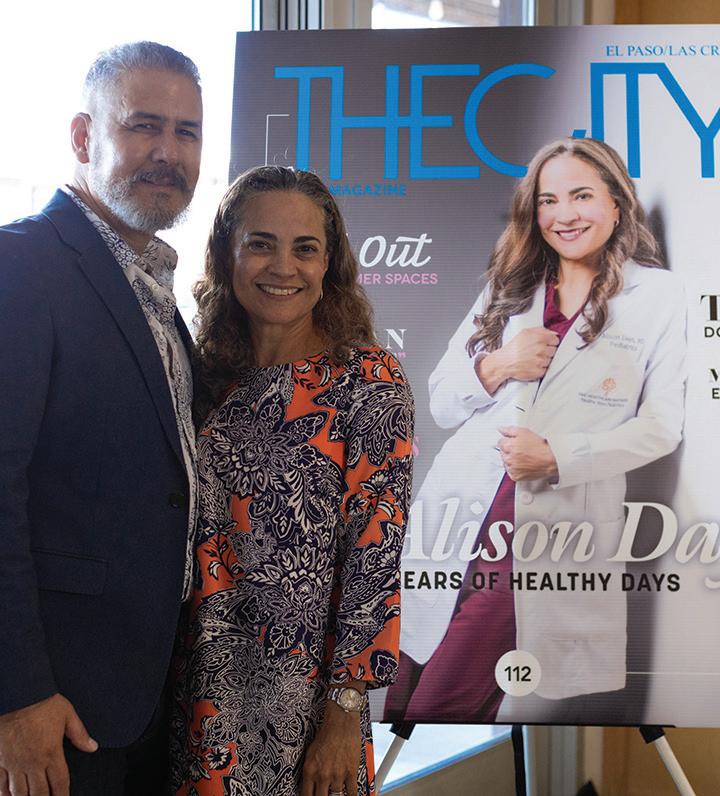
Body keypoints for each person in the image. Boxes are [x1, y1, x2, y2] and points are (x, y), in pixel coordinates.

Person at [386, 137, 687, 723]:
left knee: (440, 703)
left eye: (582, 196)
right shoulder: (511, 286)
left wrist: (558, 458)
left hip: (544, 535)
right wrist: (500, 363)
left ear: (617, 203)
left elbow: (661, 427)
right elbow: (442, 400)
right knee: (401, 683)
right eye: (549, 200)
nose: (564, 215)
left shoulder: (658, 296)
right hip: (456, 516)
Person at [170, 165, 414, 796]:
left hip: (306, 708)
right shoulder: (200, 377)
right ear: (226, 253)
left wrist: (345, 710)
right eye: (261, 244)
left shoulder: (367, 381)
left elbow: (375, 555)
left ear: (329, 264)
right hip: (191, 690)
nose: (283, 267)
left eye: (305, 248)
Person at [0, 42, 203, 795]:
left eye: (186, 132)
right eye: (144, 125)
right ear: (84, 137)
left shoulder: (155, 285)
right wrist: (16, 695)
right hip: (54, 708)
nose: (168, 151)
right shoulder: (21, 265)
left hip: (147, 697)